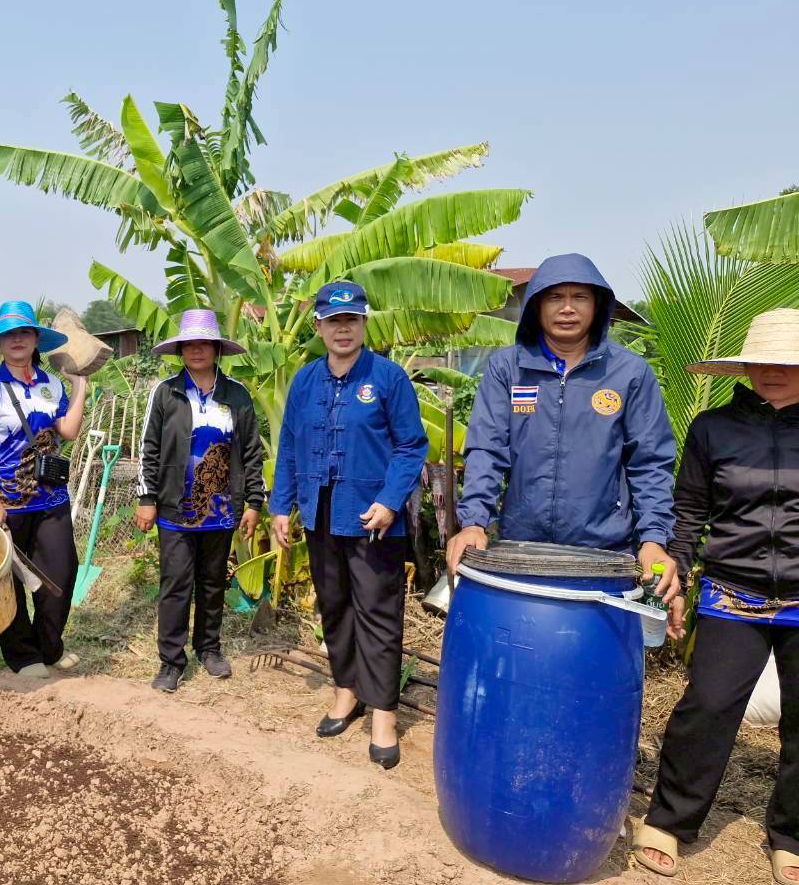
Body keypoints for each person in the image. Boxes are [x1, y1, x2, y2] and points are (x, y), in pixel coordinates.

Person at [633, 308, 799, 883]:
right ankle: (670, 820)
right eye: (762, 361)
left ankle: (790, 833)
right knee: (707, 706)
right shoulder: (713, 428)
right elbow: (687, 515)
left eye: (785, 362)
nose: (771, 372)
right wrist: (675, 570)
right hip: (734, 593)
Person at [446, 253, 682, 625]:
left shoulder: (629, 373)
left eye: (580, 298)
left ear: (598, 305)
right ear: (536, 306)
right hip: (522, 548)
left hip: (605, 554)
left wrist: (654, 538)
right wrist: (474, 521)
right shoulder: (508, 368)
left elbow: (650, 464)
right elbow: (487, 450)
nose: (568, 309)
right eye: (556, 298)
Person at [269, 281, 429, 769]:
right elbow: (291, 443)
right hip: (319, 513)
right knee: (334, 606)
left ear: (363, 324)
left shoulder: (387, 378)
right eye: (333, 321)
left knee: (378, 615)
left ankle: (383, 712)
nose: (342, 329)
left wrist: (389, 500)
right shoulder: (305, 380)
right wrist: (281, 504)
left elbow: (411, 446)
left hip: (372, 519)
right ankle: (346, 690)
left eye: (351, 320)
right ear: (319, 326)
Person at [134, 309, 265, 692]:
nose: (196, 350)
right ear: (180, 350)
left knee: (212, 584)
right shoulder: (166, 393)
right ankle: (171, 662)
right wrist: (147, 497)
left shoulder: (236, 396)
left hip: (221, 511)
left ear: (216, 349)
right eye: (189, 344)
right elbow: (149, 449)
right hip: (175, 509)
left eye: (203, 343)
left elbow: (252, 453)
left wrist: (254, 502)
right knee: (176, 583)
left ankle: (209, 648)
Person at [0, 300, 88, 678]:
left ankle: (50, 647)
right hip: (8, 502)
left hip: (51, 500)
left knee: (62, 573)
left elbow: (68, 431)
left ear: (36, 339)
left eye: (24, 333)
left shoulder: (51, 384)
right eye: (9, 335)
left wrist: (80, 384)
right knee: (11, 582)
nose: (17, 340)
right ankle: (22, 655)